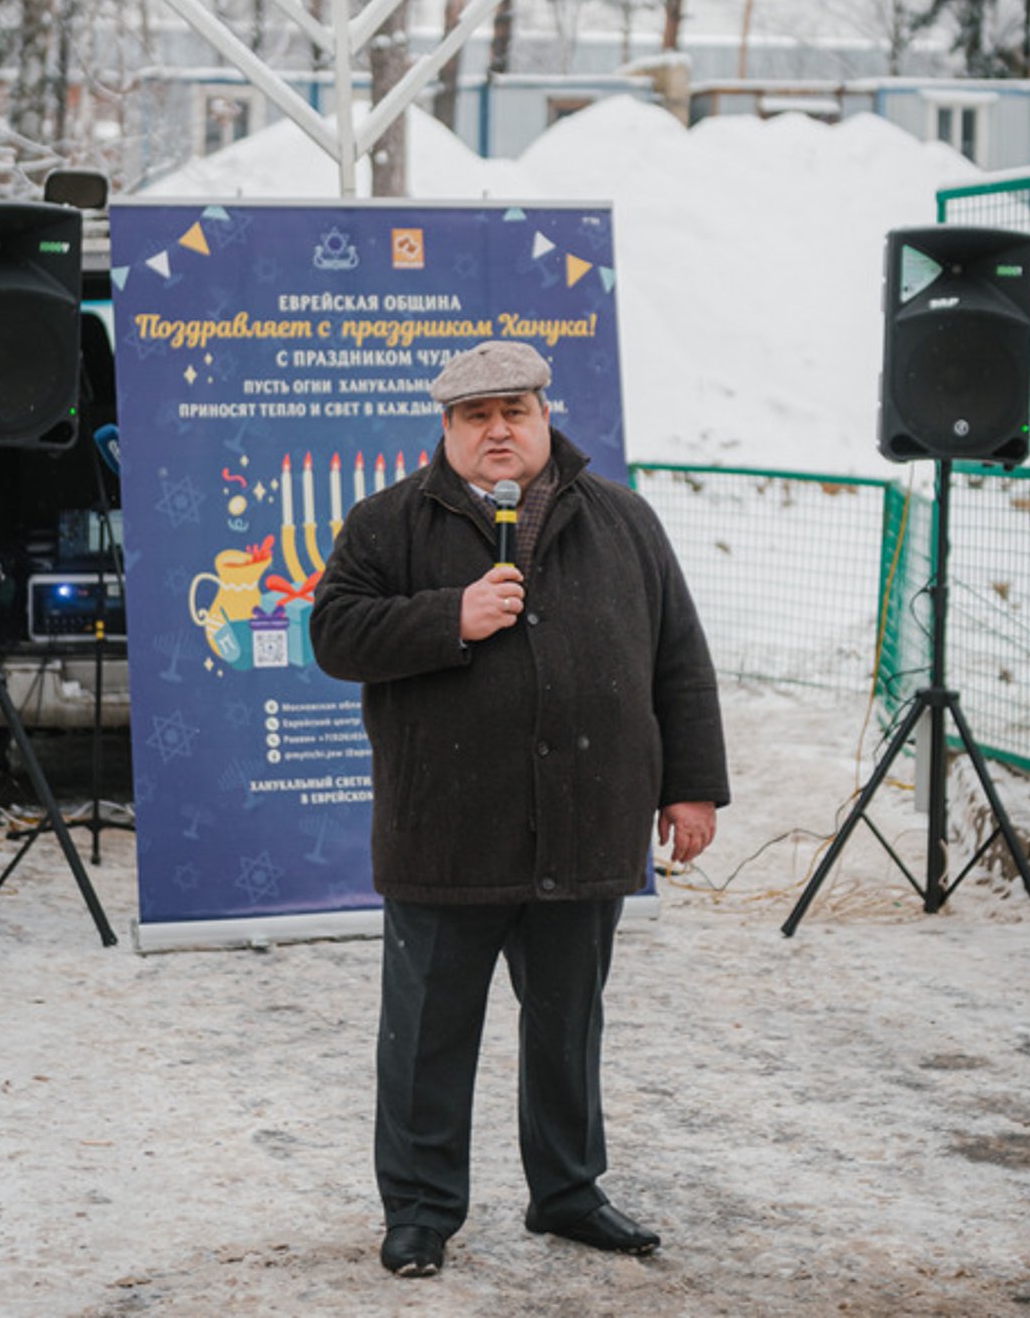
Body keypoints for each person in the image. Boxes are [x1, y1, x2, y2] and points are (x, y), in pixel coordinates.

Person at [309, 339, 728, 1279]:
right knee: (426, 1035)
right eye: (475, 415)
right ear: (446, 428)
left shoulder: (625, 519)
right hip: (446, 829)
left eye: (516, 411)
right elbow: (332, 632)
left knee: (568, 1025)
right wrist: (446, 617)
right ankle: (419, 1210)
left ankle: (569, 1192)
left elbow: (678, 659)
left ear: (546, 415)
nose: (498, 429)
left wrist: (691, 784)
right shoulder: (387, 524)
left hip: (585, 824)